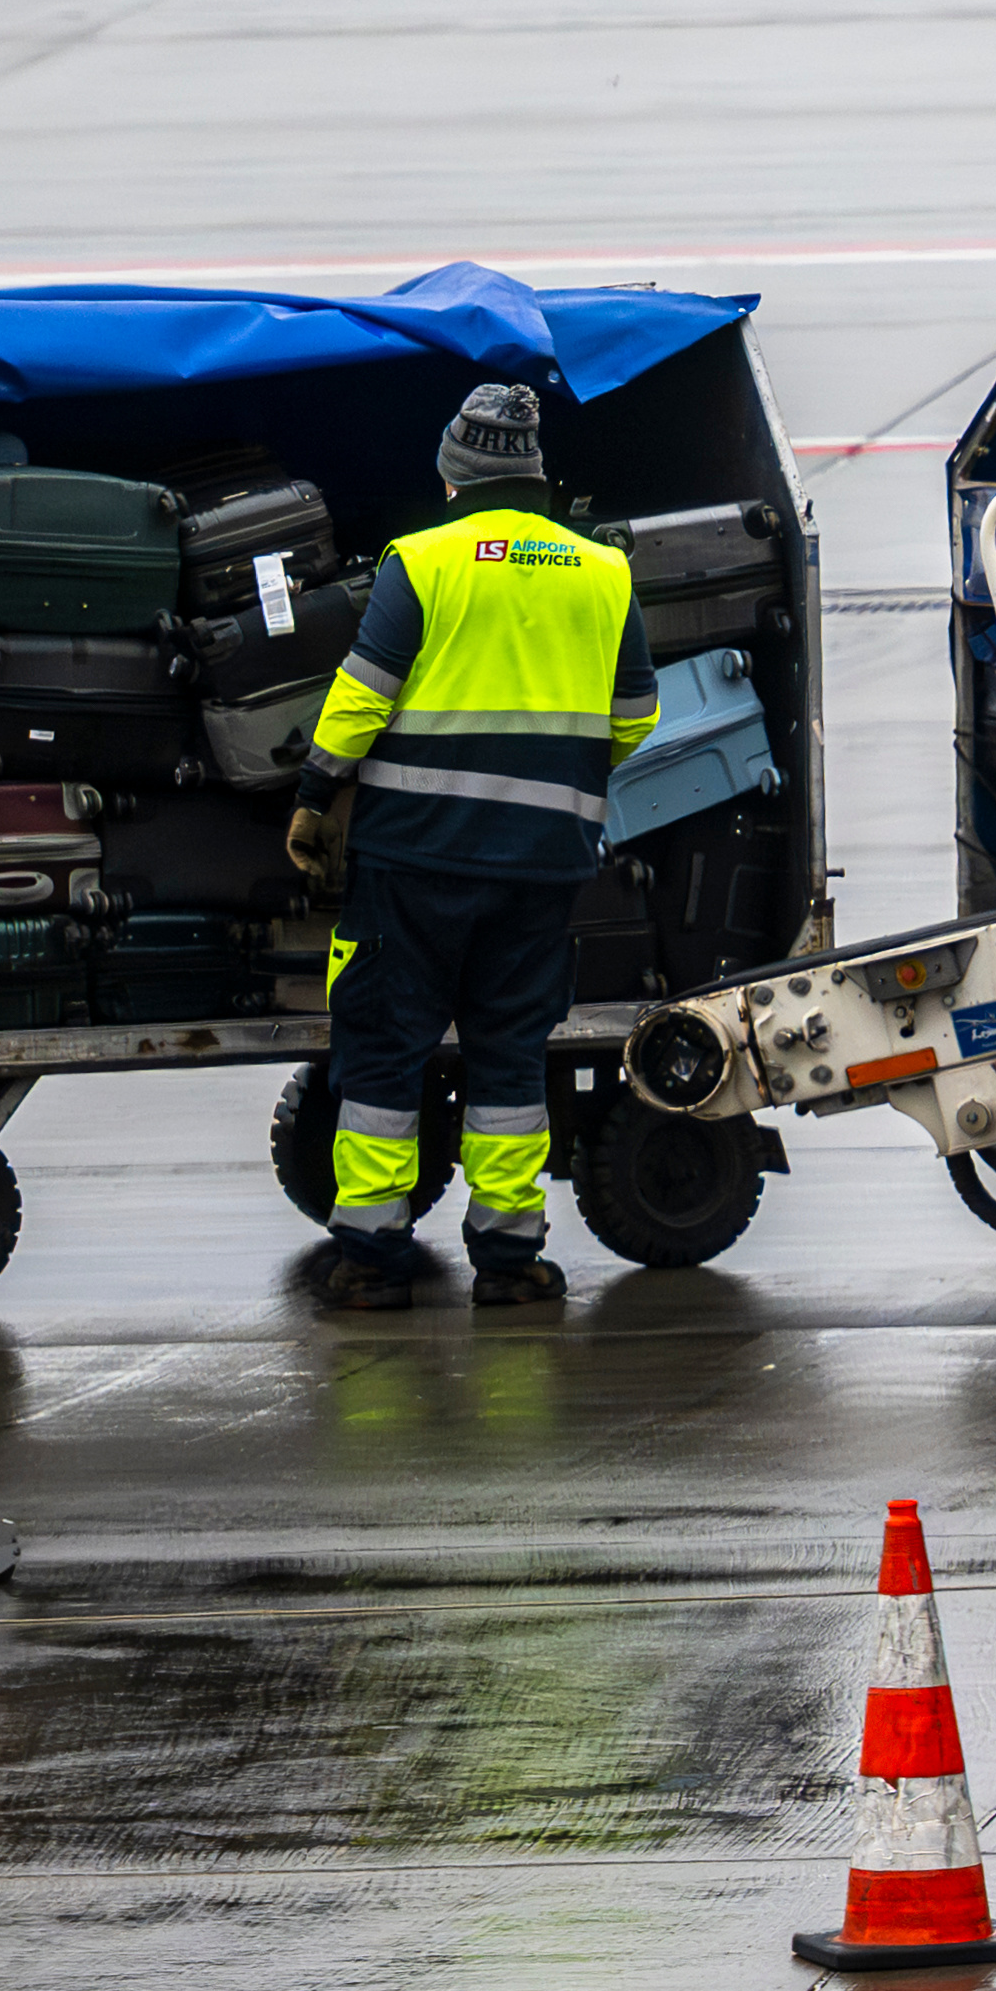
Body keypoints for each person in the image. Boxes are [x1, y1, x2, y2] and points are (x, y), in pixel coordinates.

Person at [287, 380, 651, 1305]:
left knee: (381, 1050)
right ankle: (510, 1256)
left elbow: (363, 694)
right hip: (542, 862)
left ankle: (372, 1257)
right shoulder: (603, 571)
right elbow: (638, 714)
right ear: (533, 477)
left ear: (455, 476)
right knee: (510, 1054)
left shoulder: (425, 562)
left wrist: (315, 793)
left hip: (414, 857)